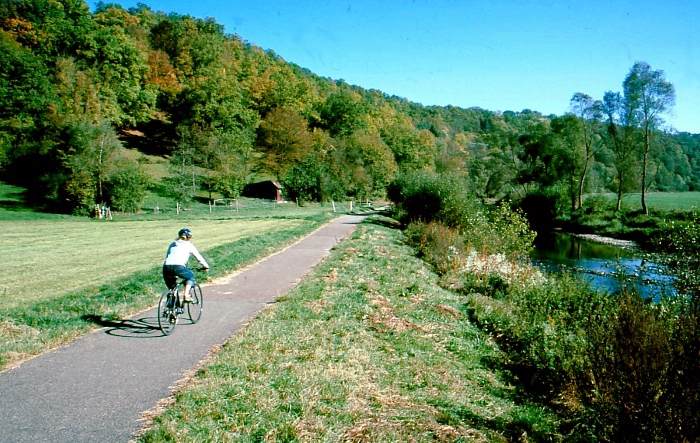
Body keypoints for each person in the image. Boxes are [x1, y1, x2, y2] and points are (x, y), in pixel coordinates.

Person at [162, 227, 209, 301]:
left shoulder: (172, 244)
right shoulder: (189, 245)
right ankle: (186, 295)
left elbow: (168, 256)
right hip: (179, 267)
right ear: (188, 237)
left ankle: (171, 308)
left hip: (166, 267)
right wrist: (205, 266)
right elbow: (198, 257)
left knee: (172, 288)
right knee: (190, 277)